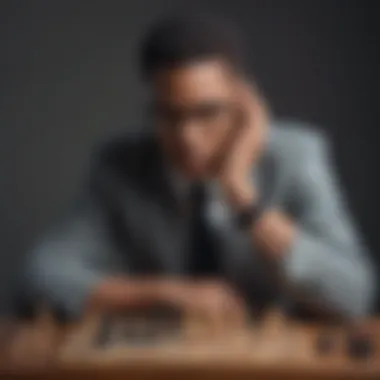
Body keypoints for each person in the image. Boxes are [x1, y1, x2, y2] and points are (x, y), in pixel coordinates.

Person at [22, 14, 375, 323]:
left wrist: (243, 199)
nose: (187, 137)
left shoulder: (296, 156)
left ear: (244, 105)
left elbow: (354, 295)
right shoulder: (119, 166)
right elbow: (40, 278)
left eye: (207, 113)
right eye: (169, 115)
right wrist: (167, 294)